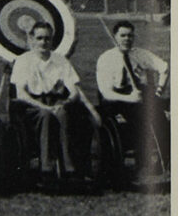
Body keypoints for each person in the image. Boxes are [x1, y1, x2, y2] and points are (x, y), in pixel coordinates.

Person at [10, 21, 88, 180]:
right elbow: (21, 93)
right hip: (32, 105)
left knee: (63, 114)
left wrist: (64, 103)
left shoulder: (61, 60)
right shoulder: (23, 61)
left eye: (47, 38)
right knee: (45, 115)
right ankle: (46, 168)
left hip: (57, 101)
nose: (43, 42)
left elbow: (74, 90)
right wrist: (43, 106)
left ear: (52, 40)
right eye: (39, 38)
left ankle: (69, 168)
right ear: (31, 39)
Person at [96, 20, 169, 169]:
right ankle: (139, 159)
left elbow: (165, 68)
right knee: (140, 114)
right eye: (122, 35)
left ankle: (164, 159)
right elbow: (106, 92)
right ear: (115, 37)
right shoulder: (106, 58)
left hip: (140, 96)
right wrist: (130, 98)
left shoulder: (140, 54)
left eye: (130, 36)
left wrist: (159, 91)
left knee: (162, 111)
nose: (127, 39)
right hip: (116, 99)